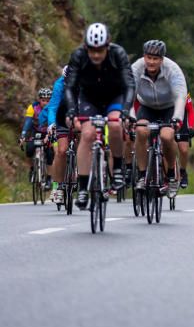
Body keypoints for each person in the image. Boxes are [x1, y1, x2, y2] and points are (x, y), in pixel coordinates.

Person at [64, 23, 135, 209]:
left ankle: (118, 168)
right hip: (89, 98)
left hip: (114, 96)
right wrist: (72, 111)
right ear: (86, 47)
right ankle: (82, 187)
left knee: (115, 125)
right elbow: (70, 87)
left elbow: (129, 85)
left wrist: (126, 111)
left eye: (100, 50)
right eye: (92, 51)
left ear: (108, 46)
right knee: (86, 135)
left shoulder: (118, 54)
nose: (96, 55)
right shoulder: (78, 56)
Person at [131, 39, 187, 199]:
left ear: (162, 59)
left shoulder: (173, 70)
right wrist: (130, 116)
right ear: (144, 57)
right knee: (141, 131)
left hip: (168, 107)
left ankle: (170, 174)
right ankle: (142, 175)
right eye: (149, 58)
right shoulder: (136, 68)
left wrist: (177, 118)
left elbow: (180, 96)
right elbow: (128, 93)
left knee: (167, 136)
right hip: (147, 107)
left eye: (155, 59)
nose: (151, 62)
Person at [40, 66, 73, 205]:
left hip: (78, 115)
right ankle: (57, 187)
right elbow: (53, 107)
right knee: (61, 150)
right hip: (62, 115)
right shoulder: (60, 84)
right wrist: (52, 124)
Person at [19, 87, 54, 189]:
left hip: (49, 131)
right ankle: (32, 169)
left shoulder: (53, 108)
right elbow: (28, 122)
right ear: (39, 100)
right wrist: (23, 135)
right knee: (29, 149)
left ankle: (48, 178)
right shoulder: (32, 107)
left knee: (50, 153)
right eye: (43, 100)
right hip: (35, 131)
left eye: (48, 101)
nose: (45, 103)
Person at [177, 92, 194, 189]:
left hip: (180, 123)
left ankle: (183, 172)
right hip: (165, 120)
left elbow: (190, 111)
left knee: (184, 150)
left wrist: (191, 127)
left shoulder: (184, 92)